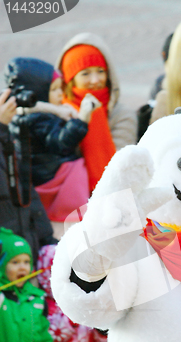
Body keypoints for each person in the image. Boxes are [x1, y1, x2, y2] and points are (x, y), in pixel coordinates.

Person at [4, 57, 98, 238]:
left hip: (46, 174)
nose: (59, 94)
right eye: (53, 89)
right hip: (56, 181)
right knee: (68, 228)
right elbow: (61, 143)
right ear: (38, 92)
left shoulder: (34, 114)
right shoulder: (38, 119)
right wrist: (81, 121)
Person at [55, 32, 138, 192]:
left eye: (100, 71)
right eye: (85, 73)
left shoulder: (122, 115)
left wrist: (96, 118)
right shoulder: (58, 114)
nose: (95, 80)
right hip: (69, 199)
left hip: (113, 195)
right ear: (70, 79)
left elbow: (121, 165)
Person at [0, 88, 57, 258]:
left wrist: (47, 240)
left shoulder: (6, 138)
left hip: (24, 249)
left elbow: (26, 192)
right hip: (7, 254)